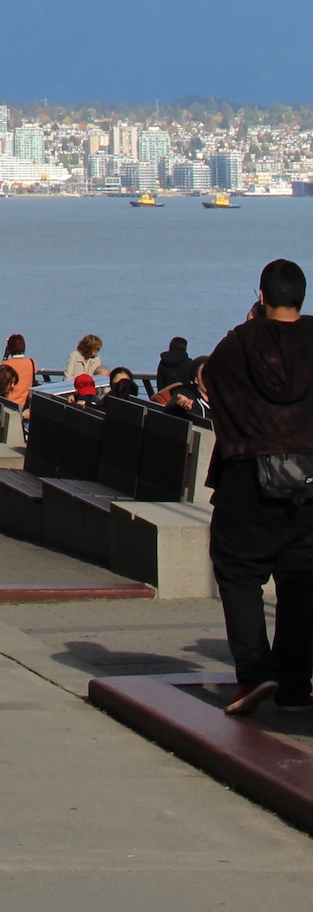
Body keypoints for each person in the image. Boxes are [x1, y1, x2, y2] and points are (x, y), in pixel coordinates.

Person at [203, 257, 313, 719]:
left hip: (248, 479)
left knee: (239, 573)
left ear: (262, 296)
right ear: (301, 297)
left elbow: (209, 382)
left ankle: (254, 671)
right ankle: (294, 686)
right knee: (301, 582)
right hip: (309, 485)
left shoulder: (240, 342)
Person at [0, 334, 34, 404]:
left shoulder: (6, 364)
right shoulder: (32, 363)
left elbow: (1, 375)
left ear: (9, 348)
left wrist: (5, 356)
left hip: (10, 403)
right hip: (25, 403)